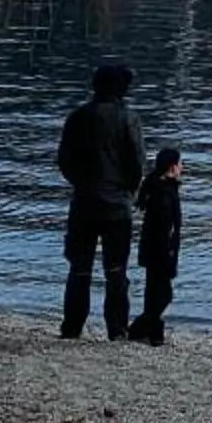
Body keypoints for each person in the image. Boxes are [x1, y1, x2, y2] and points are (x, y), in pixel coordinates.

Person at [56, 61, 146, 339]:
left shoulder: (78, 116)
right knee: (116, 270)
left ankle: (72, 326)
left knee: (79, 269)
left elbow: (64, 160)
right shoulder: (128, 118)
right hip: (117, 207)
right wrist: (129, 192)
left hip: (84, 202)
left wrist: (81, 183)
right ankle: (117, 329)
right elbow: (137, 163)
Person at [134, 147, 184, 346]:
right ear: (172, 167)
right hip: (160, 250)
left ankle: (149, 329)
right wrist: (169, 252)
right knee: (163, 294)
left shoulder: (156, 187)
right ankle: (146, 328)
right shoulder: (165, 193)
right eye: (180, 164)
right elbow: (166, 226)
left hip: (152, 249)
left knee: (153, 291)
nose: (182, 168)